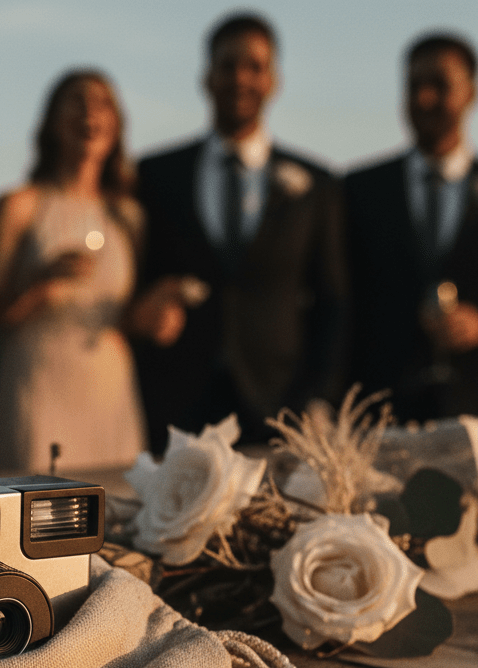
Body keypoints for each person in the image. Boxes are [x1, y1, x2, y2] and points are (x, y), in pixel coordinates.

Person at [132, 13, 346, 451]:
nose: (240, 78)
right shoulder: (156, 175)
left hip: (280, 403)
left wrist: (317, 396)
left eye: (255, 67)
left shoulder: (316, 183)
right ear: (206, 77)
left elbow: (334, 298)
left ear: (274, 81)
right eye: (227, 65)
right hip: (177, 400)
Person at [0, 70, 146, 473]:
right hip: (38, 381)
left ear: (117, 125)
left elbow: (125, 315)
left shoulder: (129, 216)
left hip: (109, 387)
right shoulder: (19, 207)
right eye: (76, 101)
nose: (90, 112)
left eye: (103, 103)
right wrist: (39, 286)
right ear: (51, 121)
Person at [346, 33, 478, 422]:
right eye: (414, 86)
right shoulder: (358, 189)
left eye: (439, 85)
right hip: (382, 415)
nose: (423, 98)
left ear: (470, 91)